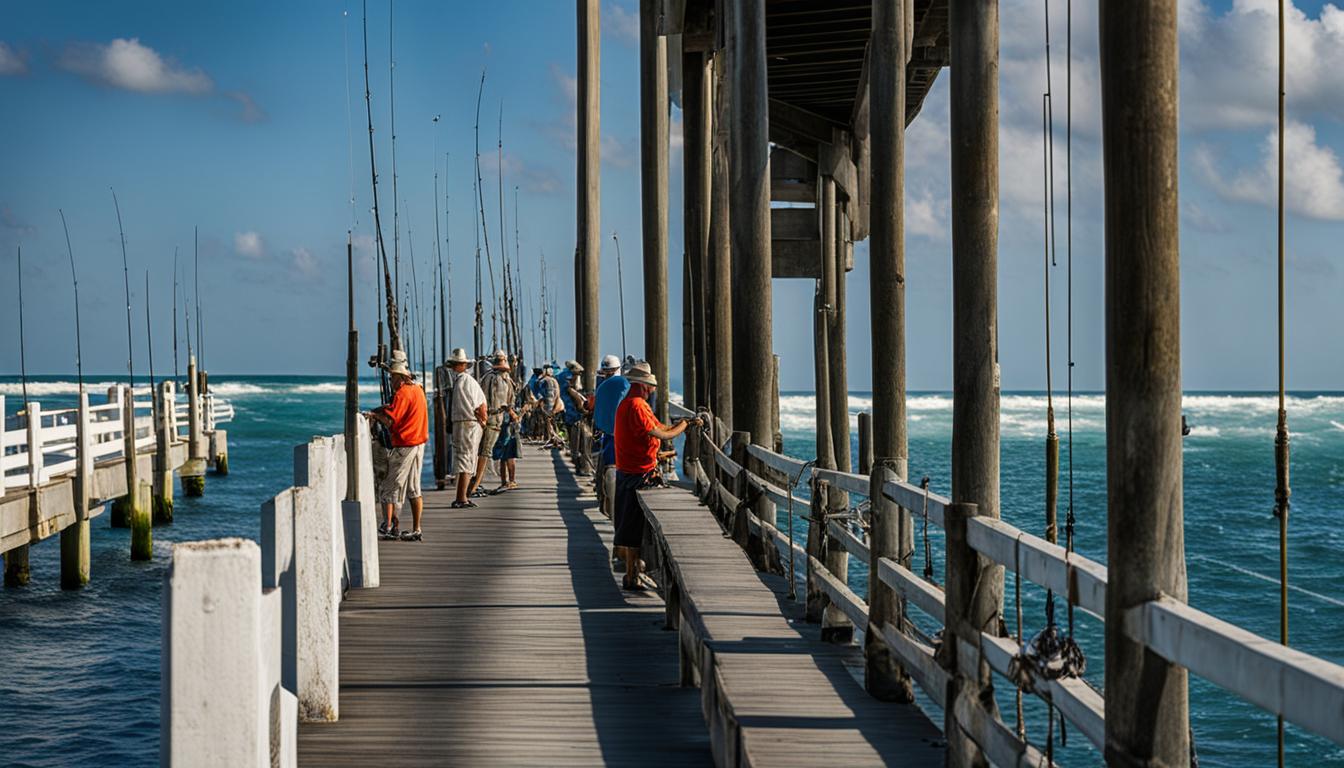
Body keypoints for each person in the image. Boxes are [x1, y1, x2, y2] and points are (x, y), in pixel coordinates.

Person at [612, 361, 702, 590]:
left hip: (629, 471)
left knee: (630, 527)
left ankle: (634, 571)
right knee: (634, 529)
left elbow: (660, 426)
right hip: (638, 475)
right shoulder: (637, 406)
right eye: (650, 386)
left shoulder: (630, 404)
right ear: (643, 386)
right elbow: (660, 433)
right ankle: (634, 574)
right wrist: (684, 426)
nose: (653, 390)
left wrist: (682, 424)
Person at [365, 354, 429, 541]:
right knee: (413, 489)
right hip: (419, 444)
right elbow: (399, 409)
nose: (391, 380)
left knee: (388, 486)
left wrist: (374, 416)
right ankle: (416, 528)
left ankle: (388, 525)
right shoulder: (418, 390)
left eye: (393, 377)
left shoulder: (402, 393)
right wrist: (383, 408)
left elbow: (390, 421)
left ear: (401, 377)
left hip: (405, 445)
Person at [445, 347, 487, 509]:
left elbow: (480, 408)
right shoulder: (464, 381)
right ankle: (461, 497)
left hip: (467, 424)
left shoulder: (464, 381)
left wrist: (481, 422)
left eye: (457, 364)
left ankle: (461, 497)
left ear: (463, 365)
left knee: (465, 460)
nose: (455, 367)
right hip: (466, 424)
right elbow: (481, 407)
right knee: (466, 460)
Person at [471, 351, 517, 496]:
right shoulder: (491, 378)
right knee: (484, 452)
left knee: (487, 451)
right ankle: (474, 486)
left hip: (499, 419)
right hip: (491, 418)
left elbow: (509, 402)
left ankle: (475, 484)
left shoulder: (506, 380)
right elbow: (482, 400)